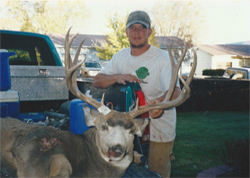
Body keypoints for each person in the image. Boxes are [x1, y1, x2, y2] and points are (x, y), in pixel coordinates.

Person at [93, 10, 181, 178]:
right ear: (126, 32)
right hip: (127, 131)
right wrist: (117, 77)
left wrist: (160, 104)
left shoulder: (162, 59)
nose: (137, 32)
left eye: (142, 27)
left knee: (155, 173)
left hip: (158, 132)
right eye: (132, 27)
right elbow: (97, 81)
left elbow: (176, 91)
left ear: (150, 32)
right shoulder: (120, 57)